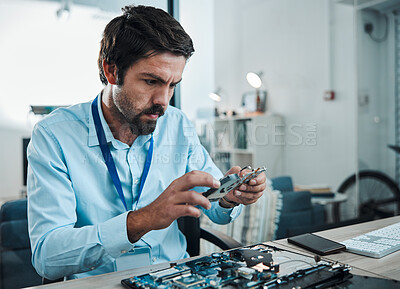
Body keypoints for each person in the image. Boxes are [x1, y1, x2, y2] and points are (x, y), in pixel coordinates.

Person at [27, 5, 266, 281]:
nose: (164, 101)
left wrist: (229, 198)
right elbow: (47, 256)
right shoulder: (53, 136)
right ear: (111, 71)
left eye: (173, 84)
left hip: (176, 278)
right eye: (151, 81)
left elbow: (214, 204)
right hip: (99, 283)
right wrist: (142, 220)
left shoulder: (176, 124)